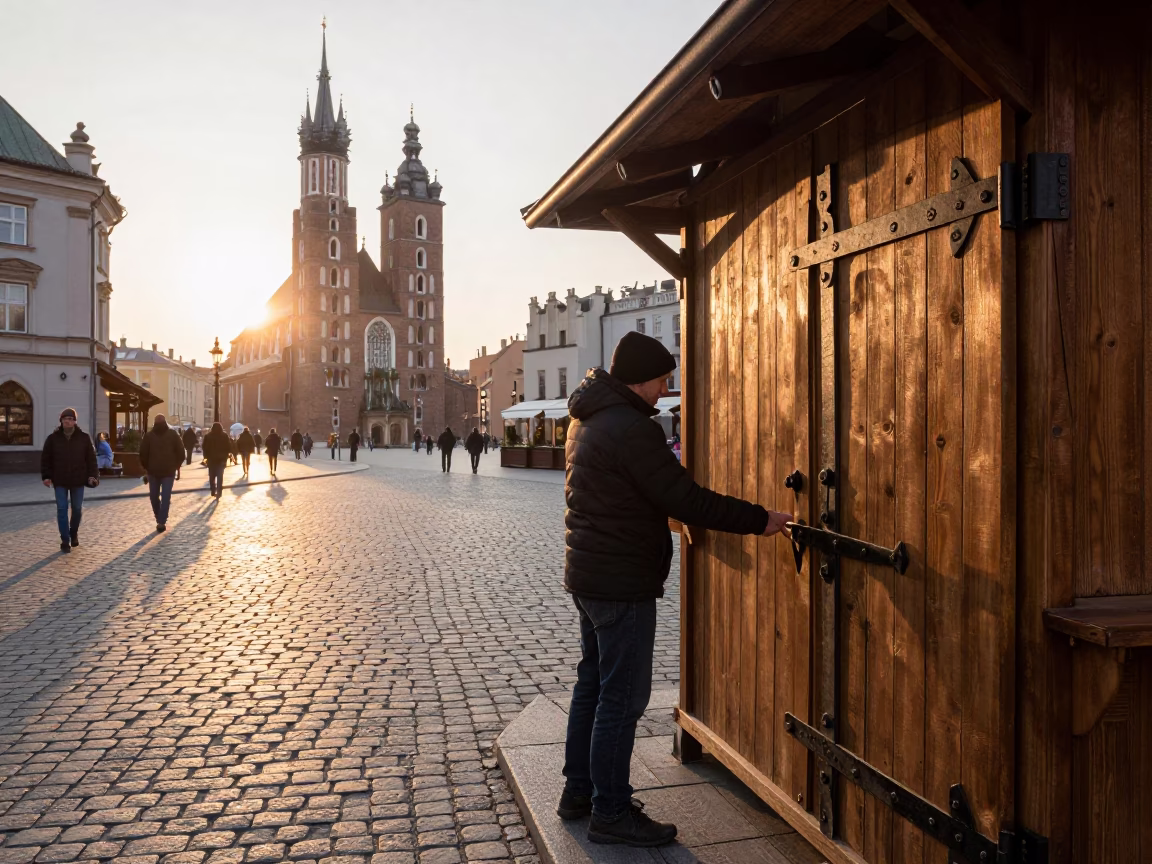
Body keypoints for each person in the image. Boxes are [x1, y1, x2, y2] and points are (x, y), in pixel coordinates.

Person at [558, 332, 792, 847]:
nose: (666, 392)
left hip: (589, 574)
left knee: (592, 685)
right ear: (641, 380)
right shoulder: (630, 429)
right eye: (663, 381)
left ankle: (578, 792)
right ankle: (612, 812)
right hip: (621, 582)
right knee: (622, 697)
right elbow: (686, 498)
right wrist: (760, 519)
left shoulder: (586, 418)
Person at [40, 408, 98, 553]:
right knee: (61, 509)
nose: (68, 421)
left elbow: (91, 459)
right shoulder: (52, 439)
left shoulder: (84, 438)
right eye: (65, 418)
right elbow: (46, 459)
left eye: (71, 419)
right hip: (59, 480)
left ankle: (74, 532)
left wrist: (93, 475)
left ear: (75, 421)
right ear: (61, 420)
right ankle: (65, 539)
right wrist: (46, 476)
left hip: (78, 479)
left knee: (77, 509)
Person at [139, 413, 185, 533]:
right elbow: (143, 453)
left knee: (162, 497)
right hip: (156, 472)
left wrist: (176, 466)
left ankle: (161, 521)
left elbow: (181, 452)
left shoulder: (171, 435)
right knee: (157, 497)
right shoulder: (149, 436)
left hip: (166, 472)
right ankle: (160, 518)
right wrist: (146, 467)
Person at [202, 421, 231, 498]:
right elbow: (228, 447)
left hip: (211, 459)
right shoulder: (224, 436)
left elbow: (204, 447)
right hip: (221, 459)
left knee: (212, 476)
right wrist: (226, 456)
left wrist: (205, 457)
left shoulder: (208, 436)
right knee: (220, 476)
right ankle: (219, 491)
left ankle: (212, 489)